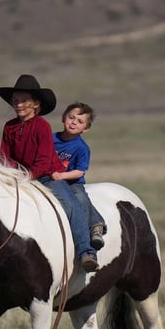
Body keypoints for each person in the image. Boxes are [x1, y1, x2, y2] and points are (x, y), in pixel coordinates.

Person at [0, 74, 98, 272]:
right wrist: (9, 176)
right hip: (18, 178)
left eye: (24, 100)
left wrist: (26, 178)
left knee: (70, 205)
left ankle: (86, 251)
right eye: (15, 100)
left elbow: (43, 160)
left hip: (46, 177)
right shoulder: (9, 127)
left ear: (36, 104)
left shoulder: (42, 126)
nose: (19, 104)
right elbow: (6, 157)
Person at [51, 102, 106, 250]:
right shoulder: (50, 138)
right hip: (51, 179)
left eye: (80, 121)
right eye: (71, 117)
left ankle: (95, 225)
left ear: (86, 129)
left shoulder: (82, 148)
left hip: (72, 182)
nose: (74, 122)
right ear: (63, 118)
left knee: (80, 197)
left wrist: (61, 176)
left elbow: (80, 171)